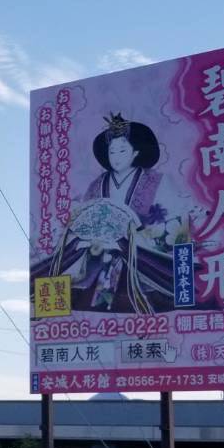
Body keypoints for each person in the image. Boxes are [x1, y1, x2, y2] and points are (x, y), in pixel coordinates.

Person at [33, 112, 185, 314]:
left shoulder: (158, 181)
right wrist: (87, 239)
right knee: (61, 260)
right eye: (112, 152)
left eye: (122, 151)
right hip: (95, 255)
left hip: (140, 255)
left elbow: (175, 221)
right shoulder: (96, 185)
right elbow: (82, 220)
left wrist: (129, 240)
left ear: (135, 153)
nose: (116, 157)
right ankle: (52, 310)